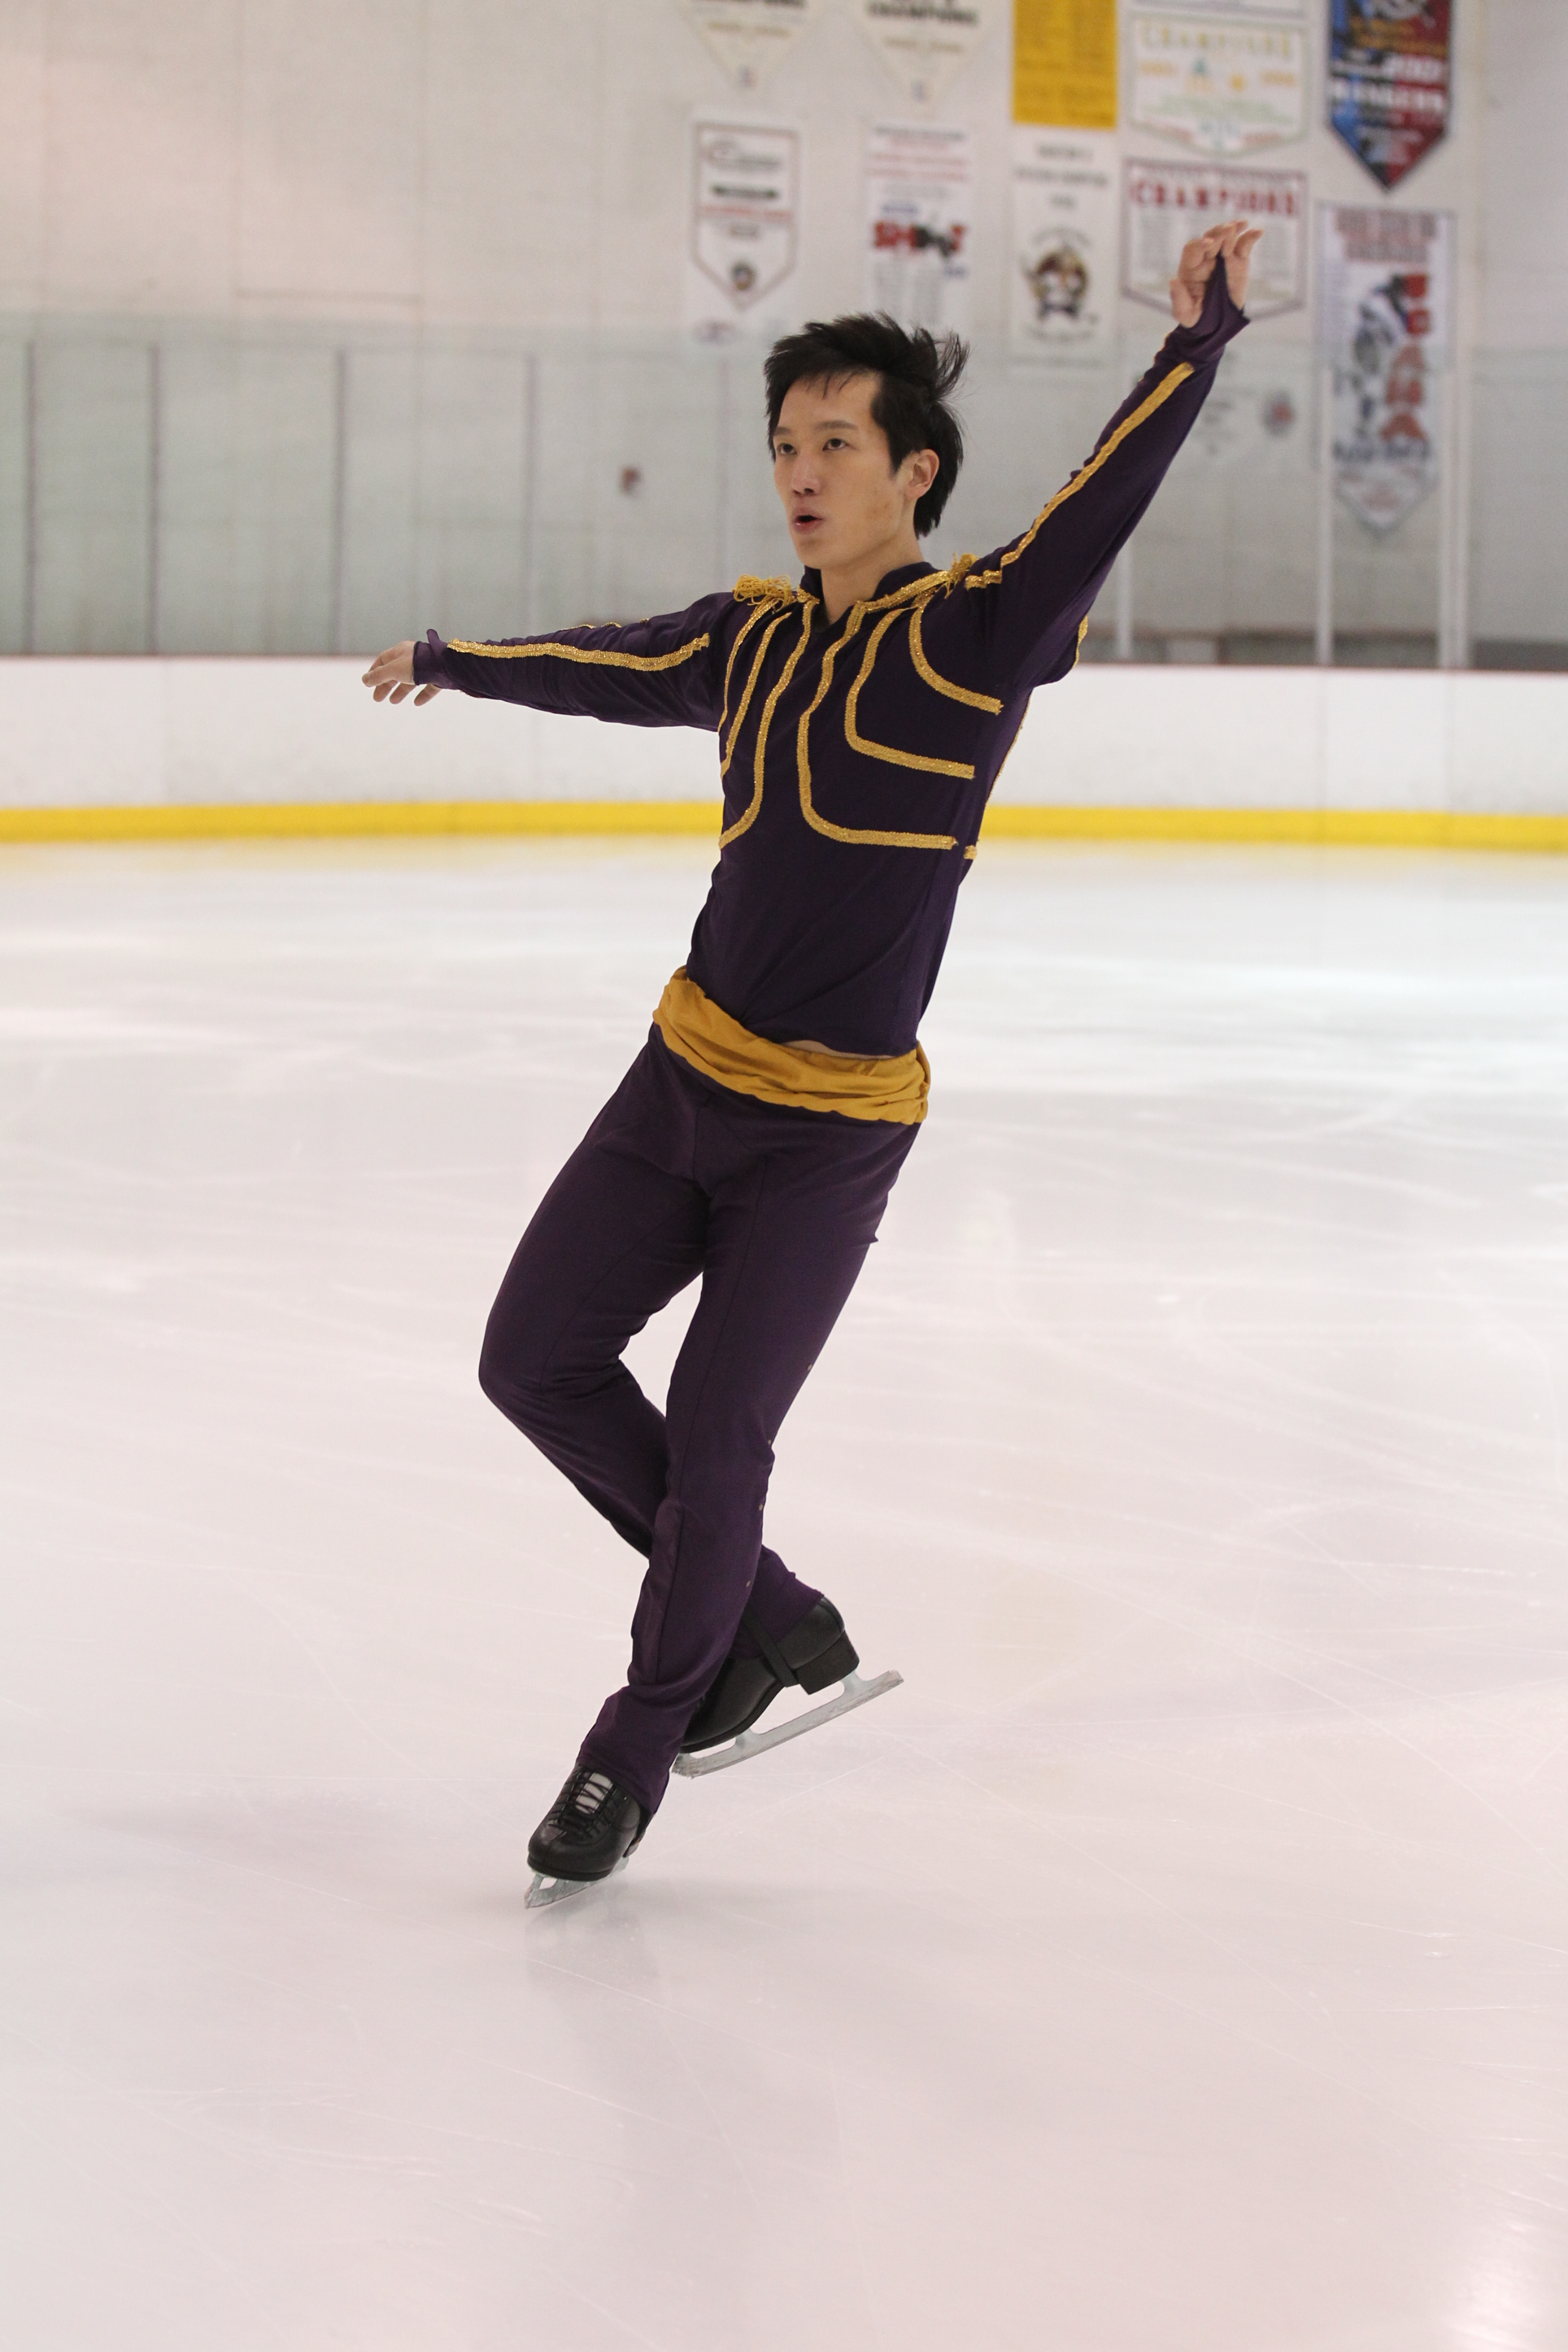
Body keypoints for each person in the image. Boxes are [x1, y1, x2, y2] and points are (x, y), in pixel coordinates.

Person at [363, 219, 1263, 1898]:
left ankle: (635, 1747)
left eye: (837, 443)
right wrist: (456, 661)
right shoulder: (753, 639)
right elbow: (606, 662)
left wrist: (1193, 345)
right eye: (786, 442)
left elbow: (1096, 508)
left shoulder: (974, 636)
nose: (800, 471)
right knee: (532, 1358)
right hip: (677, 1086)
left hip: (828, 1137)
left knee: (719, 1443)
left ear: (915, 473)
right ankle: (768, 1615)